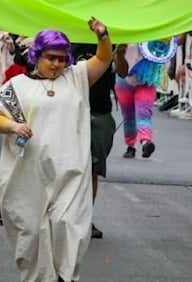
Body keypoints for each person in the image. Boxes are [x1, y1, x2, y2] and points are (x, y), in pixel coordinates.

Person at [0, 17, 112, 282]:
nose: (56, 64)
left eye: (62, 58)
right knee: (30, 234)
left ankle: (66, 277)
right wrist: (13, 126)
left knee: (68, 227)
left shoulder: (76, 77)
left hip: (70, 173)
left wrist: (102, 36)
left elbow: (103, 59)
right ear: (37, 56)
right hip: (27, 175)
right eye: (50, 57)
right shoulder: (18, 85)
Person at [115, 39, 176, 159]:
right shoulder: (126, 34)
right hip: (124, 80)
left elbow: (174, 40)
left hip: (147, 80)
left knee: (143, 113)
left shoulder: (157, 38)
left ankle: (145, 142)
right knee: (128, 116)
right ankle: (130, 145)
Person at [84, 42, 117, 240]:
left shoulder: (108, 44)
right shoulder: (67, 41)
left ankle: (85, 219)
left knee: (92, 171)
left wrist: (119, 53)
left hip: (100, 113)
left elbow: (122, 71)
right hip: (71, 113)